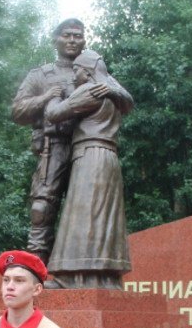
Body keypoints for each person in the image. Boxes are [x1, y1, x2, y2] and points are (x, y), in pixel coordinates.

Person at [43, 49, 134, 289]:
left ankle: (73, 277)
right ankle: (103, 277)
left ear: (87, 70)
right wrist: (114, 88)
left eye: (77, 71)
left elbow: (53, 114)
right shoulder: (112, 93)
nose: (74, 76)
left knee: (83, 215)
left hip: (89, 156)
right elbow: (129, 100)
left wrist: (53, 94)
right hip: (109, 157)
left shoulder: (89, 91)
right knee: (103, 216)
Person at [12, 18, 87, 265]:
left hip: (85, 147)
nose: (73, 40)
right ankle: (35, 268)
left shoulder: (92, 70)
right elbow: (18, 112)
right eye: (67, 35)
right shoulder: (40, 75)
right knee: (42, 208)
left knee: (86, 209)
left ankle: (80, 266)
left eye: (78, 35)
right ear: (56, 40)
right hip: (52, 148)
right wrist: (45, 98)